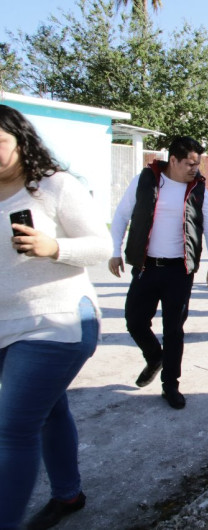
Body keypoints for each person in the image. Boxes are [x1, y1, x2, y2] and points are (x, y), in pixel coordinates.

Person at [0, 105, 112, 529]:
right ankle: (68, 495)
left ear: (20, 141)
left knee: (12, 430)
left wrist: (54, 248)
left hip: (57, 321)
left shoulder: (53, 187)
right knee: (48, 411)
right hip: (3, 326)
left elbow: (100, 246)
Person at [109, 136, 208, 410]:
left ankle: (170, 385)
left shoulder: (198, 189)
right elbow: (122, 215)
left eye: (197, 163)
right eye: (189, 163)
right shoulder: (145, 180)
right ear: (173, 160)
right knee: (134, 321)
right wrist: (115, 250)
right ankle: (154, 356)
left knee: (173, 330)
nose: (195, 168)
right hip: (146, 266)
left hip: (179, 271)